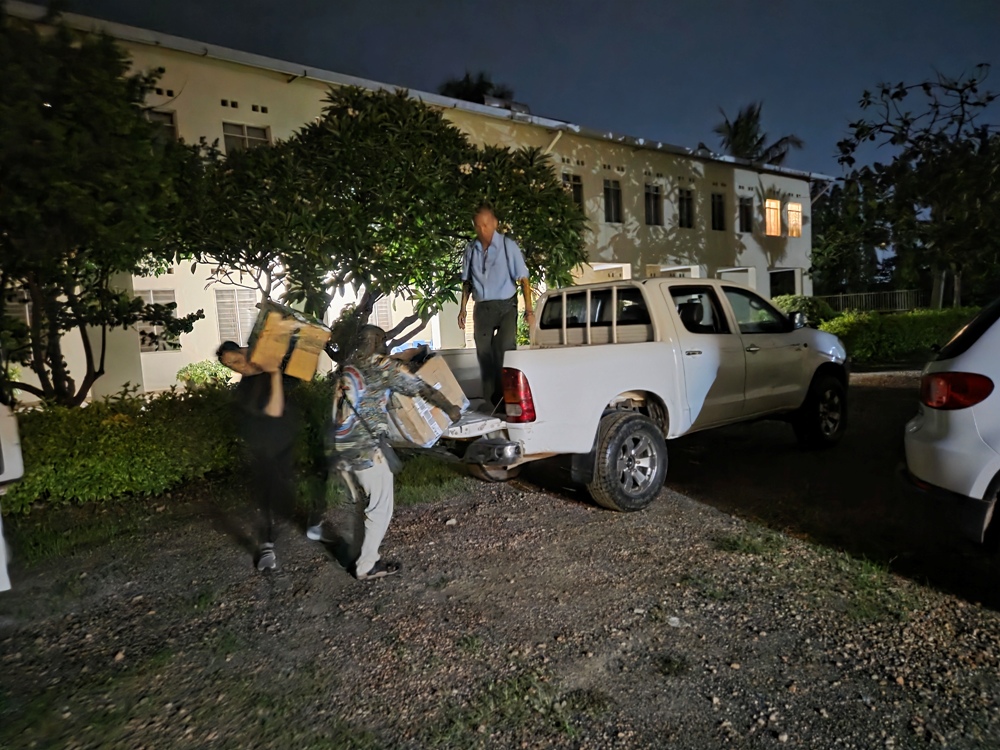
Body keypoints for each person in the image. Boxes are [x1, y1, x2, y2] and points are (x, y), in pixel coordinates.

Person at [330, 325, 462, 580]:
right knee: (380, 507)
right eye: (383, 341)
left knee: (362, 502)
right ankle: (366, 565)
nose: (386, 346)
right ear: (375, 341)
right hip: (367, 448)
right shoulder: (381, 366)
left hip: (343, 446)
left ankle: (357, 552)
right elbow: (422, 388)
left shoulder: (347, 368)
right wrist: (450, 409)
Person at [217, 341, 299, 573]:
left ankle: (305, 521)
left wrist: (273, 365)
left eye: (236, 360)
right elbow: (274, 410)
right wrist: (273, 373)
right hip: (263, 448)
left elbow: (296, 372)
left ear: (244, 352)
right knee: (267, 494)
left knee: (285, 490)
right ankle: (267, 546)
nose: (236, 367)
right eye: (230, 365)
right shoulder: (245, 390)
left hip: (285, 442)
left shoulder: (270, 370)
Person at [458, 203, 534, 407]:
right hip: (482, 306)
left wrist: (529, 310)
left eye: (486, 224)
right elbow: (467, 281)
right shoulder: (470, 249)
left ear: (495, 223)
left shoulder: (508, 246)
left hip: (506, 305)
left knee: (505, 350)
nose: (483, 229)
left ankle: (509, 399)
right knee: (484, 355)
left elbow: (524, 279)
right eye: (478, 226)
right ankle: (491, 402)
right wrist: (462, 309)